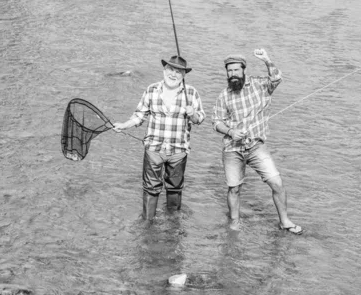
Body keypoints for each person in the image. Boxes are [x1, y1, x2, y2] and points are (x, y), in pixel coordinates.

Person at [212, 49, 303, 234]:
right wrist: (231, 131)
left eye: (236, 70)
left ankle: (285, 221)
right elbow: (216, 122)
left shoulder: (259, 85)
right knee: (234, 189)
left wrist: (267, 60)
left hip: (256, 147)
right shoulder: (224, 95)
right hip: (232, 148)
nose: (233, 74)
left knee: (276, 183)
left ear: (244, 70)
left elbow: (276, 78)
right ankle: (234, 223)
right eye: (229, 71)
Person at [113, 55, 205, 223]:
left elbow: (200, 119)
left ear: (184, 75)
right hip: (154, 150)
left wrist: (193, 114)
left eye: (179, 72)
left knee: (175, 188)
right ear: (164, 70)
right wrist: (124, 125)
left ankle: (172, 223)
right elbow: (139, 115)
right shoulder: (151, 89)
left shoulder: (191, 92)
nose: (174, 74)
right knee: (150, 188)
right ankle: (148, 224)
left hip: (178, 151)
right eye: (171, 69)